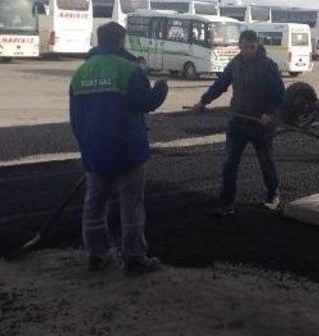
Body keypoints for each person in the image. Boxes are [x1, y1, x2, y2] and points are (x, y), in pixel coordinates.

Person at [69, 22, 168, 276]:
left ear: (99, 41)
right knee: (131, 207)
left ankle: (96, 254)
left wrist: (87, 147)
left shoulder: (80, 73)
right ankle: (134, 259)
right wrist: (161, 88)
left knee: (94, 206)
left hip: (94, 151)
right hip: (127, 150)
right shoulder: (129, 70)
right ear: (121, 42)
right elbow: (146, 104)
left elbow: (75, 118)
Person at [191, 30, 285, 216]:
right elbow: (221, 84)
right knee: (229, 163)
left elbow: (280, 94)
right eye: (244, 47)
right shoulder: (236, 64)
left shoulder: (268, 66)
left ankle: (273, 195)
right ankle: (227, 203)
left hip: (260, 124)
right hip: (237, 121)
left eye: (251, 47)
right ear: (240, 46)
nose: (248, 51)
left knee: (266, 161)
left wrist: (269, 112)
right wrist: (204, 101)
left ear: (257, 46)